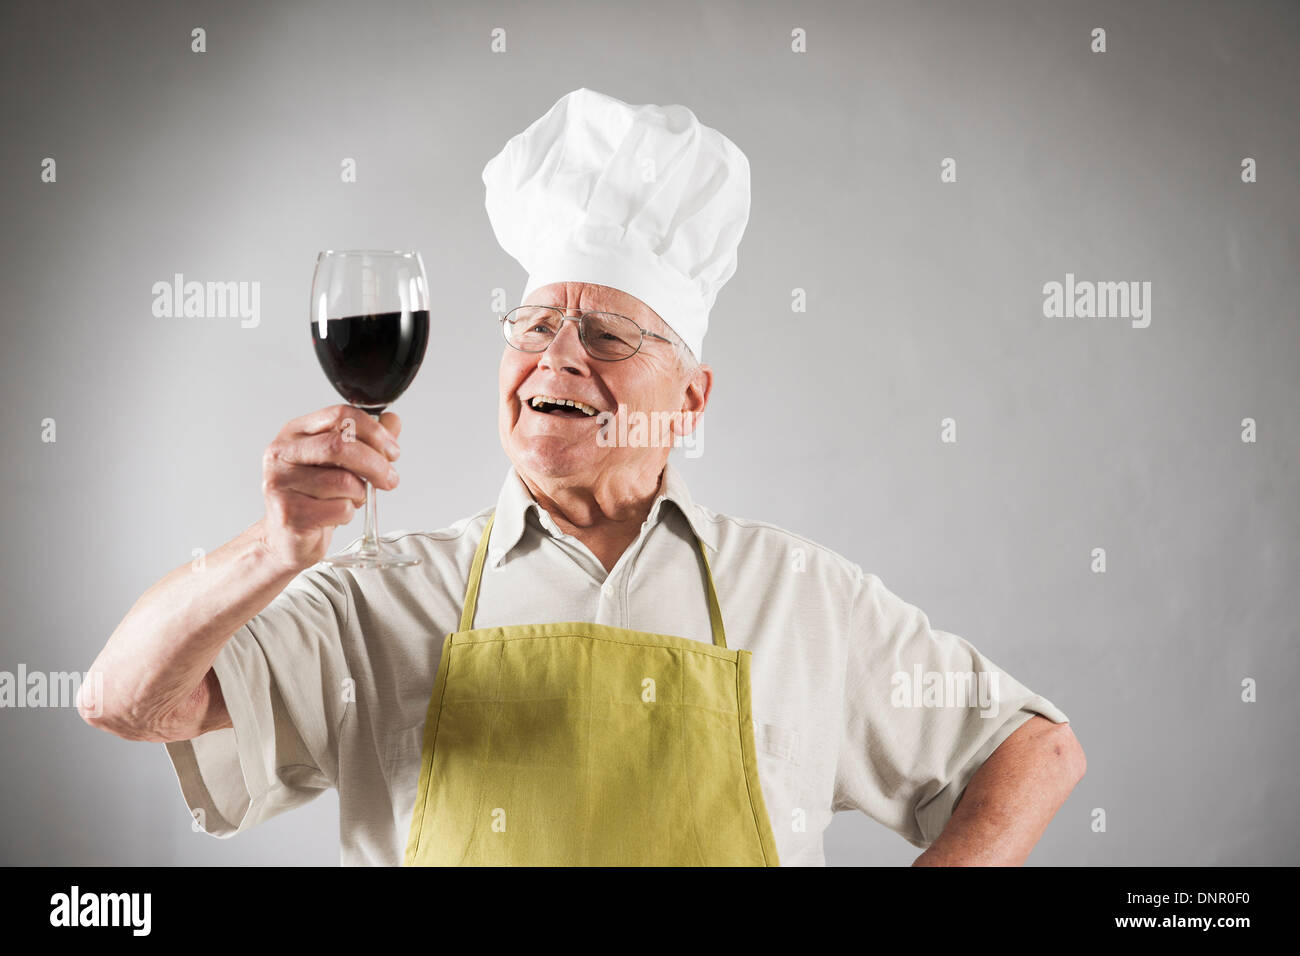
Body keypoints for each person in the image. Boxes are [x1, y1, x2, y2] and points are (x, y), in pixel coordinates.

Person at [82, 88, 1084, 866]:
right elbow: (125, 698)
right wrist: (271, 550)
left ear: (688, 399)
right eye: (532, 326)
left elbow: (1035, 747)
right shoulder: (382, 598)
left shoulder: (801, 595)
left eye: (606, 332)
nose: (556, 357)